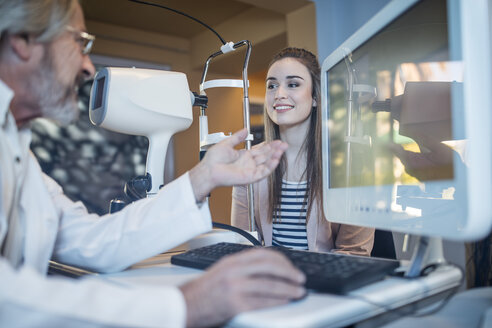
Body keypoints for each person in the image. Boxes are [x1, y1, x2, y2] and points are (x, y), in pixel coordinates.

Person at [0, 1, 307, 327]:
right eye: (80, 42)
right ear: (23, 40)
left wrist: (203, 177)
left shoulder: (20, 152)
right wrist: (188, 305)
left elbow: (93, 241)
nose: (88, 67)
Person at [232, 47, 374, 255]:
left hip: (326, 283)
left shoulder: (351, 163)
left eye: (293, 84)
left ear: (315, 97)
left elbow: (354, 254)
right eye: (272, 86)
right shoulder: (248, 162)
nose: (279, 94)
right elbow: (241, 246)